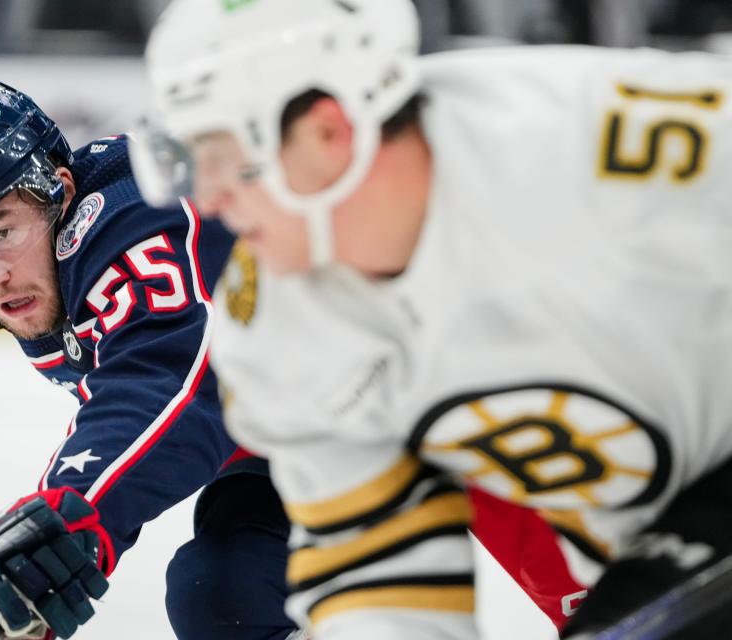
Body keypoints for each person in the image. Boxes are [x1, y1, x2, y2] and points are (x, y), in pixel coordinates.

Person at [132, 0, 732, 638]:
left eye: (219, 154)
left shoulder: (608, 140)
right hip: (644, 534)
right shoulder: (274, 329)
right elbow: (383, 583)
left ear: (328, 131)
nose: (207, 197)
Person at [0, 76, 298, 640]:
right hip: (320, 425)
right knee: (226, 594)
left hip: (433, 370)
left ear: (58, 189)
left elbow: (170, 384)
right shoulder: (51, 274)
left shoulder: (125, 217)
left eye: (1, 230)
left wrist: (67, 515)